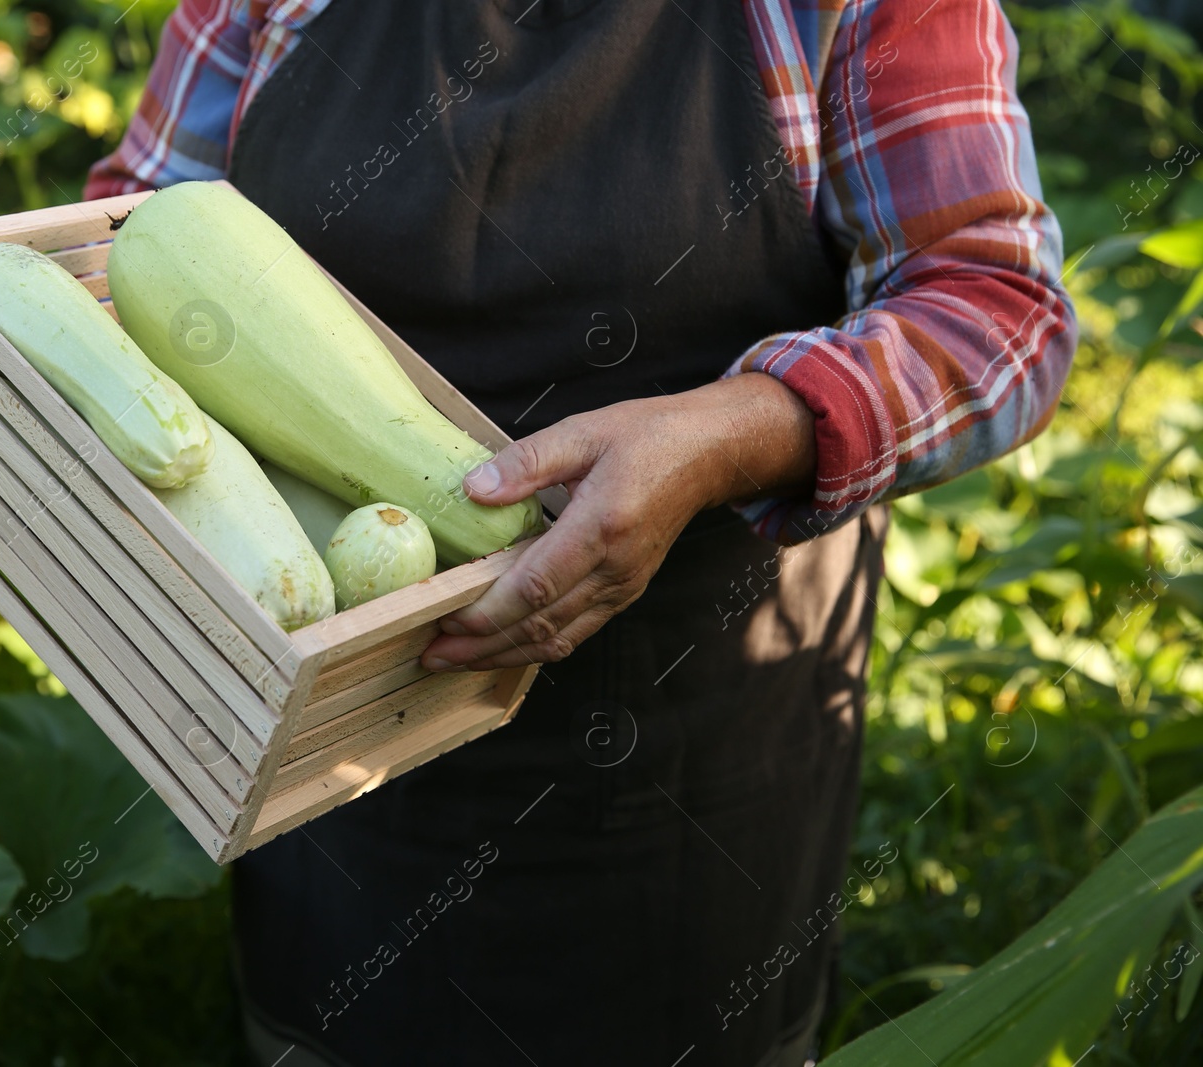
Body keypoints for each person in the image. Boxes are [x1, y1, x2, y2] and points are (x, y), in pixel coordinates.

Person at [87, 1, 1076, 1063]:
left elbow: (994, 306)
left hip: (687, 774)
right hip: (322, 739)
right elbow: (138, 225)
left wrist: (728, 432)